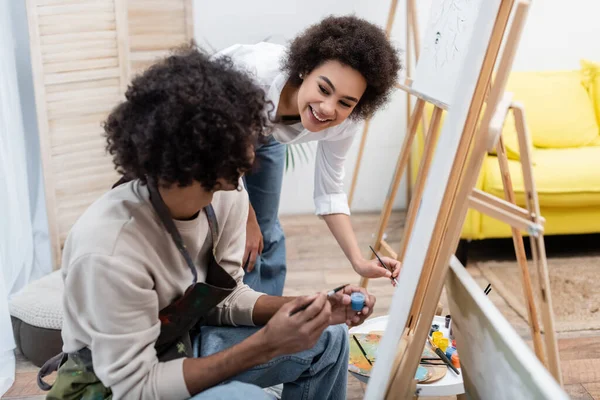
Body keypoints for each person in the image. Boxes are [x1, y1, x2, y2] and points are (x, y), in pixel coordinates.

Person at [36, 45, 376, 400]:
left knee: (329, 337)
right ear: (201, 150)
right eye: (247, 130)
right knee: (246, 398)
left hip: (183, 341)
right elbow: (137, 387)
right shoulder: (110, 250)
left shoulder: (227, 196)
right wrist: (265, 345)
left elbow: (226, 298)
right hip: (109, 386)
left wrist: (313, 305)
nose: (260, 139)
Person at [216, 15, 403, 296]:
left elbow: (330, 191)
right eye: (323, 89)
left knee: (265, 233)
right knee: (234, 227)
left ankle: (263, 317)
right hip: (212, 127)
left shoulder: (346, 121)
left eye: (345, 102)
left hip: (265, 134)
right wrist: (246, 219)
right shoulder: (254, 75)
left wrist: (359, 262)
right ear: (305, 69)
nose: (328, 108)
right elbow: (222, 156)